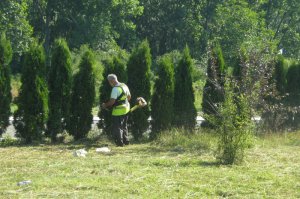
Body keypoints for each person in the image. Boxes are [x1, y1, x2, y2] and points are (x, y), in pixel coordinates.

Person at [102, 74, 131, 146]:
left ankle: (119, 143)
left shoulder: (115, 89)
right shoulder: (124, 85)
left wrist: (104, 105)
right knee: (124, 126)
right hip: (126, 108)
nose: (109, 83)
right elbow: (129, 97)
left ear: (112, 81)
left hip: (118, 110)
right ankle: (126, 141)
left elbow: (112, 102)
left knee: (117, 127)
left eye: (109, 81)